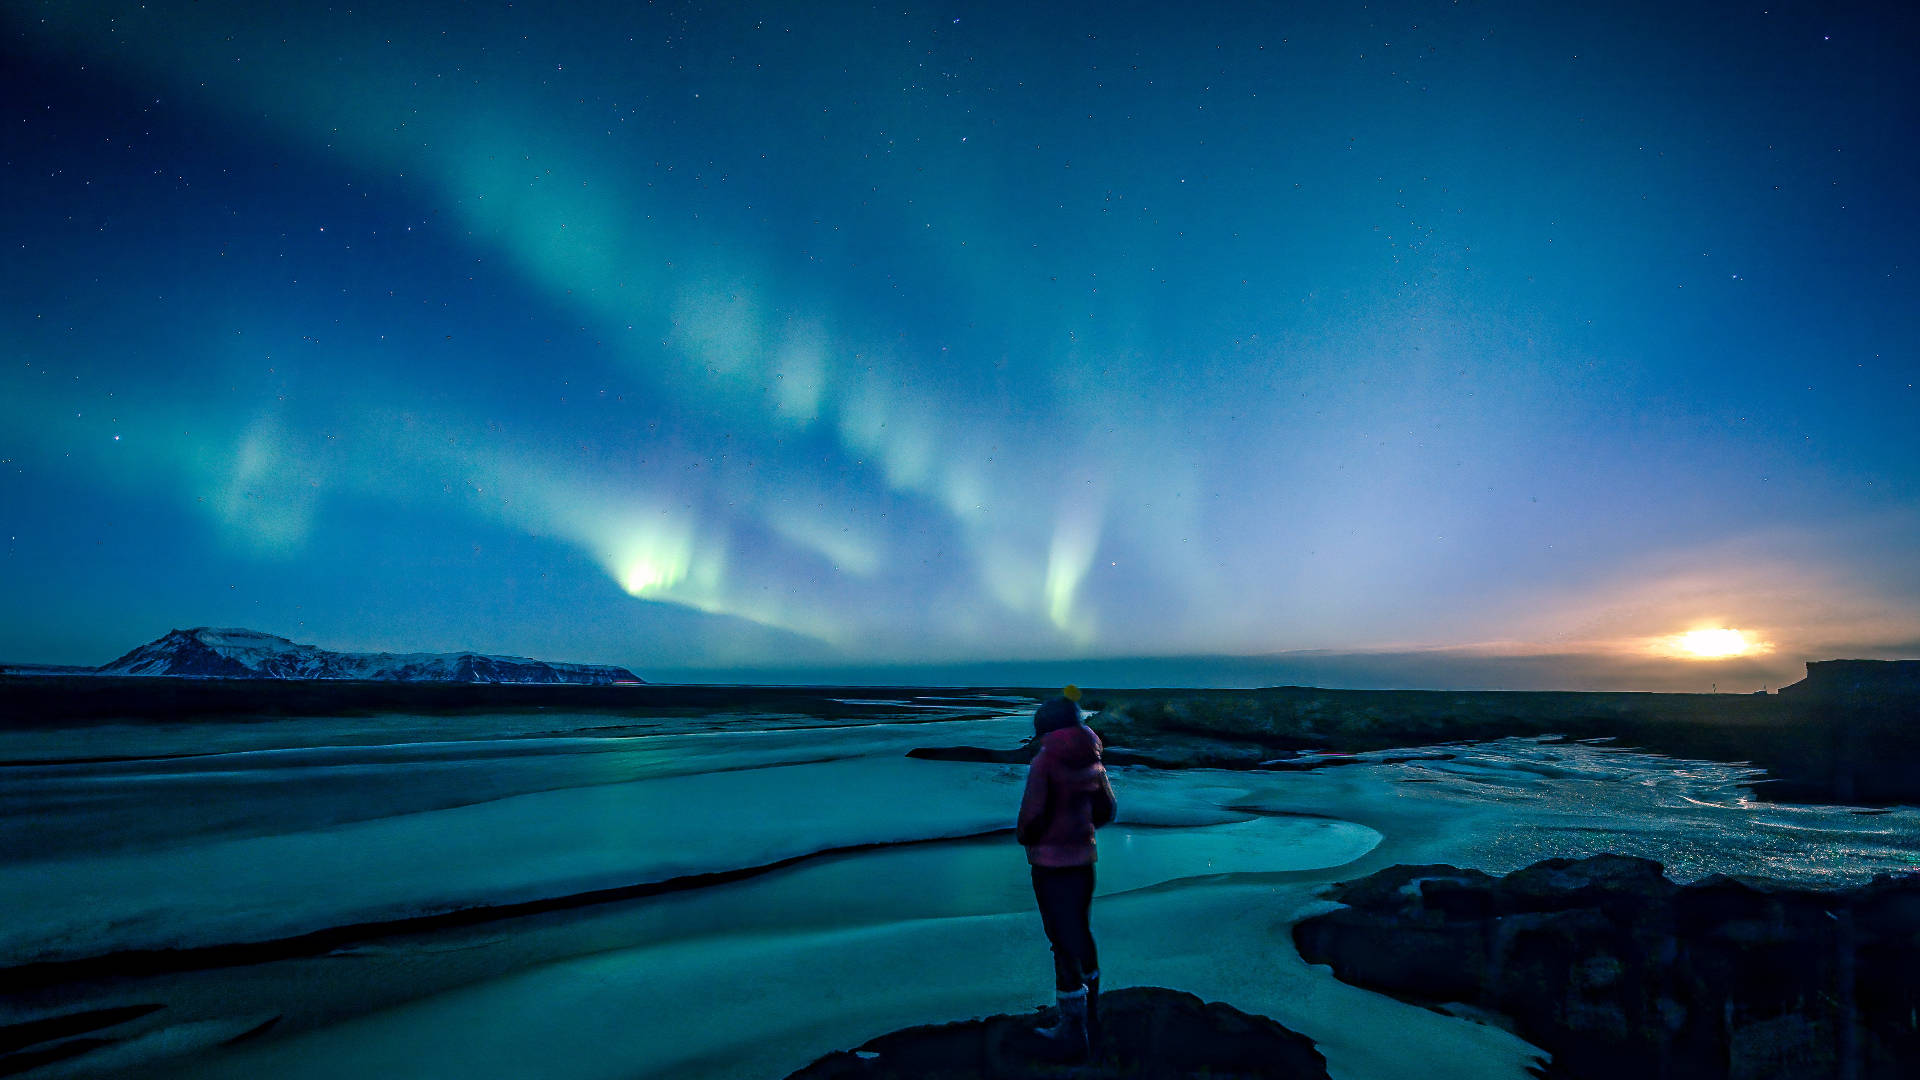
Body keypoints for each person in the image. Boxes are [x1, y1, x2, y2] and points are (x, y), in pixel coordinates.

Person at [1015, 685, 1117, 1061]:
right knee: (1080, 932)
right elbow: (1107, 810)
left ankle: (1072, 1032)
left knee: (1061, 942)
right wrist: (1080, 830)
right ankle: (1092, 1015)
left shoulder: (1044, 761)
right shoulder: (1093, 758)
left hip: (1050, 865)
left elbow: (1031, 816)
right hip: (1083, 861)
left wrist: (1028, 838)